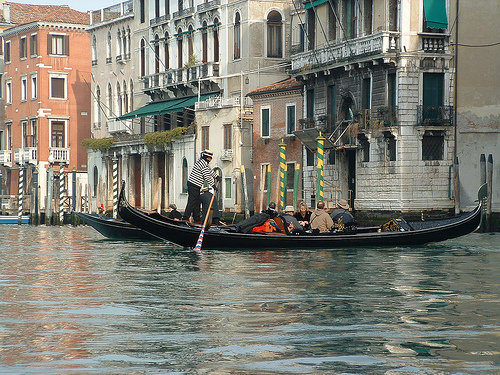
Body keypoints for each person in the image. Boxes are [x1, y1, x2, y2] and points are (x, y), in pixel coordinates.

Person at [182, 149, 221, 223]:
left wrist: (217, 176)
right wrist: (213, 186)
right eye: (210, 158)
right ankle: (185, 218)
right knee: (192, 202)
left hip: (195, 186)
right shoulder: (202, 164)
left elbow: (209, 171)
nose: (211, 159)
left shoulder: (203, 163)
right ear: (207, 157)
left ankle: (197, 219)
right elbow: (207, 176)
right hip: (193, 185)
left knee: (196, 202)